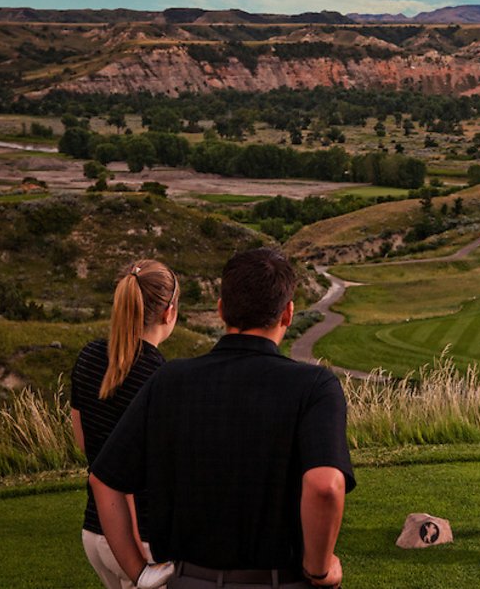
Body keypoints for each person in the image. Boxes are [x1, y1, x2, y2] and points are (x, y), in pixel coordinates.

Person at [89, 247, 355, 589]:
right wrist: (320, 570)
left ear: (220, 310)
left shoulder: (169, 380)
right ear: (288, 314)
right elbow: (324, 486)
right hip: (279, 580)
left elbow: (104, 479)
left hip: (189, 580)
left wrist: (139, 572)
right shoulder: (315, 386)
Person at [71, 259, 180, 589]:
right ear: (169, 312)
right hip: (144, 543)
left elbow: (82, 441)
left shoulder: (89, 356)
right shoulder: (163, 378)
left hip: (95, 532)